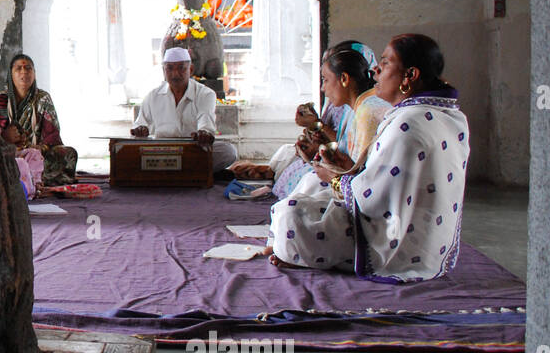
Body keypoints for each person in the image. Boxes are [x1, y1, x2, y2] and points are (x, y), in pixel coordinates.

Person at [266, 34, 469, 282]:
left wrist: (335, 178)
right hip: (427, 239)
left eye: (385, 63)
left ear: (410, 76)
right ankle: (294, 249)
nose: (376, 70)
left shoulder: (407, 122)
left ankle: (299, 251)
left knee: (291, 214)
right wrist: (346, 168)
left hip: (391, 239)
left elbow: (374, 200)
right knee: (309, 186)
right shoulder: (449, 115)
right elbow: (387, 180)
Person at [282, 44, 391, 201]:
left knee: (300, 197)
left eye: (325, 80)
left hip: (366, 196)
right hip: (353, 188)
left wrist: (333, 176)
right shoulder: (362, 106)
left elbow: (362, 178)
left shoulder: (368, 110)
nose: (322, 88)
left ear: (344, 79)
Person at [131, 46, 238, 171]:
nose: (175, 74)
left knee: (228, 151)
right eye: (169, 68)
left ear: (191, 69)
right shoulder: (153, 96)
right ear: (164, 71)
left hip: (193, 150)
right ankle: (189, 171)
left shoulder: (205, 94)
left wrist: (203, 133)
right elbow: (139, 127)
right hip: (161, 151)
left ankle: (170, 171)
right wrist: (140, 131)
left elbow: (206, 122)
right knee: (131, 154)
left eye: (181, 68)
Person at [0, 53, 78, 187]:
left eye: (28, 68)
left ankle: (27, 178)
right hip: (10, 152)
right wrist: (7, 139)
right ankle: (32, 178)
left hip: (38, 154)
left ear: (34, 74)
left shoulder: (43, 98)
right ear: (10, 74)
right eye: (18, 68)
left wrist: (40, 147)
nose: (24, 72)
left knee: (68, 153)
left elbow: (53, 134)